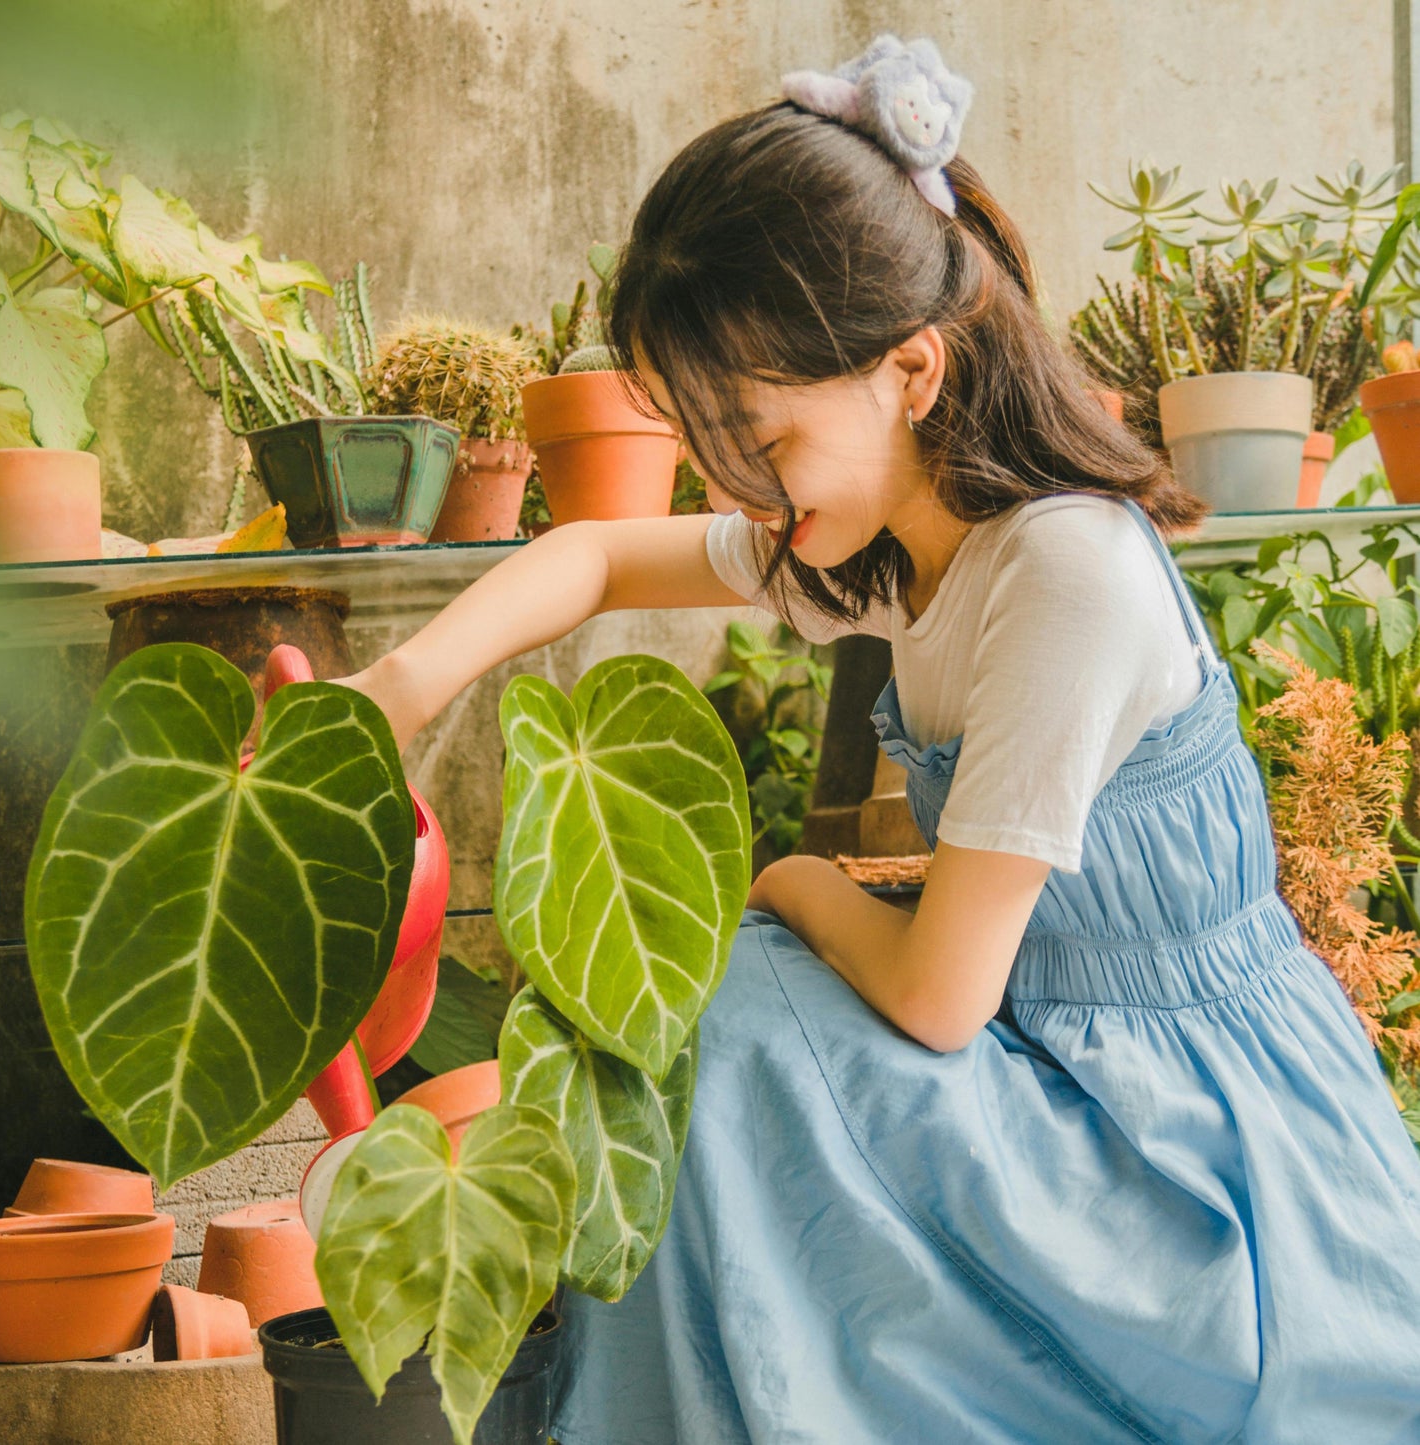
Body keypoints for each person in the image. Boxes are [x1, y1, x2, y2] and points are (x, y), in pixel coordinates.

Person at [340, 34, 1420, 1445]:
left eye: (763, 444)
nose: (742, 491)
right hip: (1054, 1061)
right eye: (711, 450)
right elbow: (597, 554)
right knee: (721, 1032)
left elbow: (935, 999)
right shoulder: (884, 540)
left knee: (734, 1022)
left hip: (1187, 1151)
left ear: (910, 369)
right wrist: (399, 687)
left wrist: (789, 878)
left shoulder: (1063, 573)